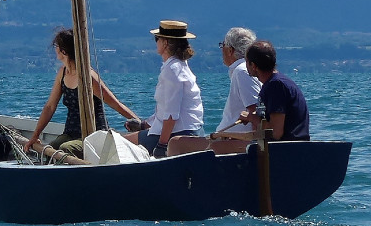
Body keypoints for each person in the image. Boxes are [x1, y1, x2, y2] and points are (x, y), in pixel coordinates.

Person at [23, 29, 143, 159]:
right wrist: (35, 136)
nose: (55, 49)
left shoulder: (89, 78)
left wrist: (141, 126)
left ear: (64, 50)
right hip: (70, 132)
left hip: (93, 135)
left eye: (56, 46)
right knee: (51, 148)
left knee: (65, 149)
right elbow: (50, 107)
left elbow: (116, 104)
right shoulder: (62, 73)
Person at [167, 26, 260, 156]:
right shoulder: (243, 69)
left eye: (223, 45)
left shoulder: (242, 71)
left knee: (176, 144)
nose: (221, 49)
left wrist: (255, 147)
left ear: (230, 50)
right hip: (231, 138)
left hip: (241, 141)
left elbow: (255, 110)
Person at [125, 19, 204, 158]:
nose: (155, 42)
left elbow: (171, 114)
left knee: (118, 142)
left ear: (165, 42)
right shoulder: (180, 66)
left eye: (157, 39)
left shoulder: (172, 70)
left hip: (176, 135)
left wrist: (161, 145)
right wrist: (143, 125)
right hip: (187, 131)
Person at [237, 40, 309, 140]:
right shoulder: (276, 83)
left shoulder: (276, 86)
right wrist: (255, 115)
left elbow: (275, 132)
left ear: (253, 66)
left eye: (247, 62)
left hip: (288, 150)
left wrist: (251, 118)